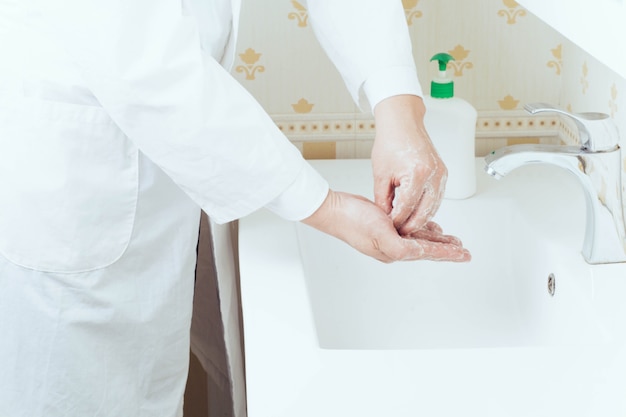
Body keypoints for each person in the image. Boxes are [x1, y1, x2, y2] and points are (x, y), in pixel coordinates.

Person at [0, 0, 470, 416]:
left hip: (178, 156)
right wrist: (328, 208)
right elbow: (144, 63)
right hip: (78, 174)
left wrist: (398, 109)